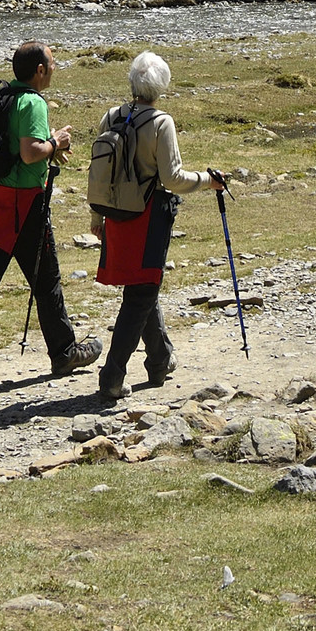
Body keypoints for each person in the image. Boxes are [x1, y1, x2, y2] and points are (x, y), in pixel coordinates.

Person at [0, 39, 102, 387]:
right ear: (40, 70)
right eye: (53, 63)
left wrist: (48, 149)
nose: (56, 68)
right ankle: (64, 353)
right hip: (24, 208)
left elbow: (20, 150)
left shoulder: (5, 97)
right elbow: (30, 153)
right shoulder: (31, 102)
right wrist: (55, 143)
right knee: (47, 281)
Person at [92, 50, 223, 402]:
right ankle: (112, 376)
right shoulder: (161, 122)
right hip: (148, 217)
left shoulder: (111, 116)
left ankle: (160, 358)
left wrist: (96, 217)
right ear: (161, 86)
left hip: (115, 215)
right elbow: (173, 178)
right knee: (142, 291)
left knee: (142, 285)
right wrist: (206, 181)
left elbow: (100, 175)